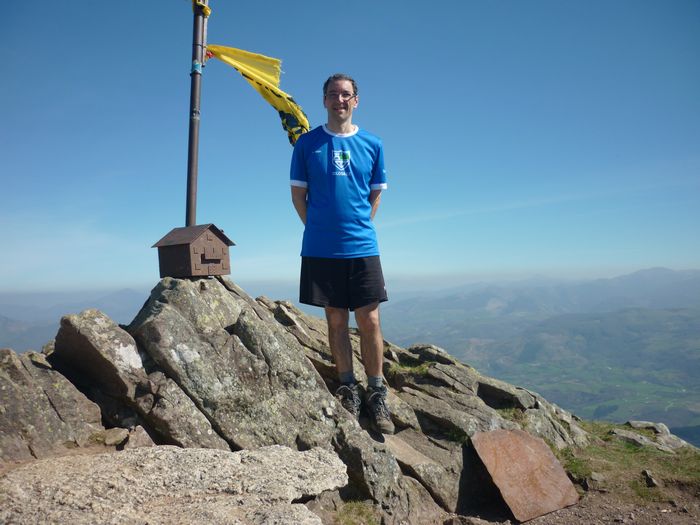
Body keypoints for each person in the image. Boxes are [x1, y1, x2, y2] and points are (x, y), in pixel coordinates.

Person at [290, 73, 394, 434]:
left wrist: (358, 225)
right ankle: (348, 387)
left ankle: (376, 391)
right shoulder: (307, 144)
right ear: (324, 100)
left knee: (370, 319)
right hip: (321, 249)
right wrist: (320, 228)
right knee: (335, 319)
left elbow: (375, 194)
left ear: (356, 100)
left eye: (346, 94)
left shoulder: (373, 144)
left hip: (362, 246)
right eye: (333, 94)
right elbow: (298, 196)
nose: (340, 100)